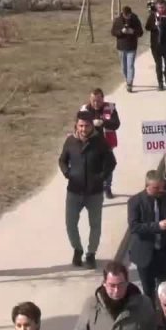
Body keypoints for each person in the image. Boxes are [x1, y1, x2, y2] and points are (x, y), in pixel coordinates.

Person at [59, 113, 116, 268]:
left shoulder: (100, 142)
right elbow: (62, 160)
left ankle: (91, 254)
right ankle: (77, 250)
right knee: (70, 224)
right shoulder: (70, 141)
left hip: (94, 193)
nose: (84, 129)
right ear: (76, 126)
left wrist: (101, 178)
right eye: (81, 126)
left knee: (95, 225)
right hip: (74, 191)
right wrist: (67, 173)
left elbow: (111, 163)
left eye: (87, 125)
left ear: (92, 125)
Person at [127, 170, 166, 300]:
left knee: (165, 290)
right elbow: (134, 226)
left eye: (162, 187)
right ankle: (151, 315)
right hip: (145, 254)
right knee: (148, 290)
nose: (160, 191)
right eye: (156, 188)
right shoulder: (135, 201)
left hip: (165, 252)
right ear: (147, 186)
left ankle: (163, 314)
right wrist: (157, 226)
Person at [79, 89, 121, 199]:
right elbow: (78, 125)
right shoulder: (84, 110)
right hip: (90, 144)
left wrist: (103, 122)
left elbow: (116, 124)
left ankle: (107, 187)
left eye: (98, 101)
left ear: (103, 99)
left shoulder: (110, 108)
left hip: (106, 144)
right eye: (93, 101)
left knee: (109, 166)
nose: (96, 103)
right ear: (90, 99)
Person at [145, 0, 166, 90]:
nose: (161, 9)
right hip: (155, 45)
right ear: (156, 7)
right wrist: (155, 26)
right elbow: (147, 27)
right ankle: (160, 83)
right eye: (159, 7)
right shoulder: (153, 16)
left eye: (163, 7)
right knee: (158, 64)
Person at [111, 5, 143, 92]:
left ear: (131, 13)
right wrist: (121, 32)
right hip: (121, 47)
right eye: (126, 15)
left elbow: (141, 32)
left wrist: (133, 31)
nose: (127, 17)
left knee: (130, 66)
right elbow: (113, 32)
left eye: (129, 15)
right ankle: (127, 79)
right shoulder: (118, 20)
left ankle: (129, 83)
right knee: (123, 67)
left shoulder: (135, 20)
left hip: (132, 47)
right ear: (123, 14)